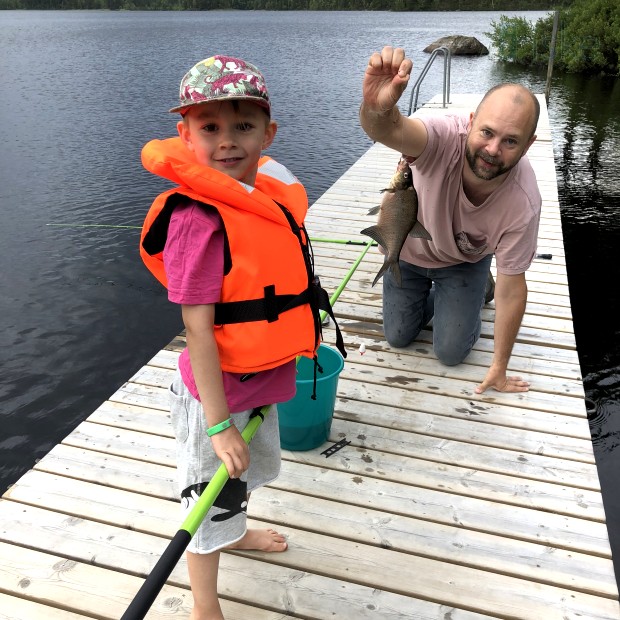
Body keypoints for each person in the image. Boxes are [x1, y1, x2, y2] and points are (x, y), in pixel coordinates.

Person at [139, 55, 341, 620]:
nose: (227, 141)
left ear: (267, 134)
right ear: (186, 135)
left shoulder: (266, 200)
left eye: (243, 125)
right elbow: (197, 329)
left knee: (241, 481)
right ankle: (205, 605)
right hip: (217, 399)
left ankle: (240, 530)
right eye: (210, 127)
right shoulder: (197, 220)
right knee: (206, 509)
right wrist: (218, 423)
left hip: (259, 384)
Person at [359, 46, 542, 395]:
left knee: (451, 353)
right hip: (408, 253)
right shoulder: (440, 138)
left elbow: (513, 288)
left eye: (510, 141)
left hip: (463, 261)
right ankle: (456, 297)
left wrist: (499, 367)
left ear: (528, 144)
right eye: (487, 132)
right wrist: (377, 107)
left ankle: (477, 288)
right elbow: (386, 129)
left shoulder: (524, 203)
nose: (493, 150)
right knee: (398, 336)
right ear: (470, 122)